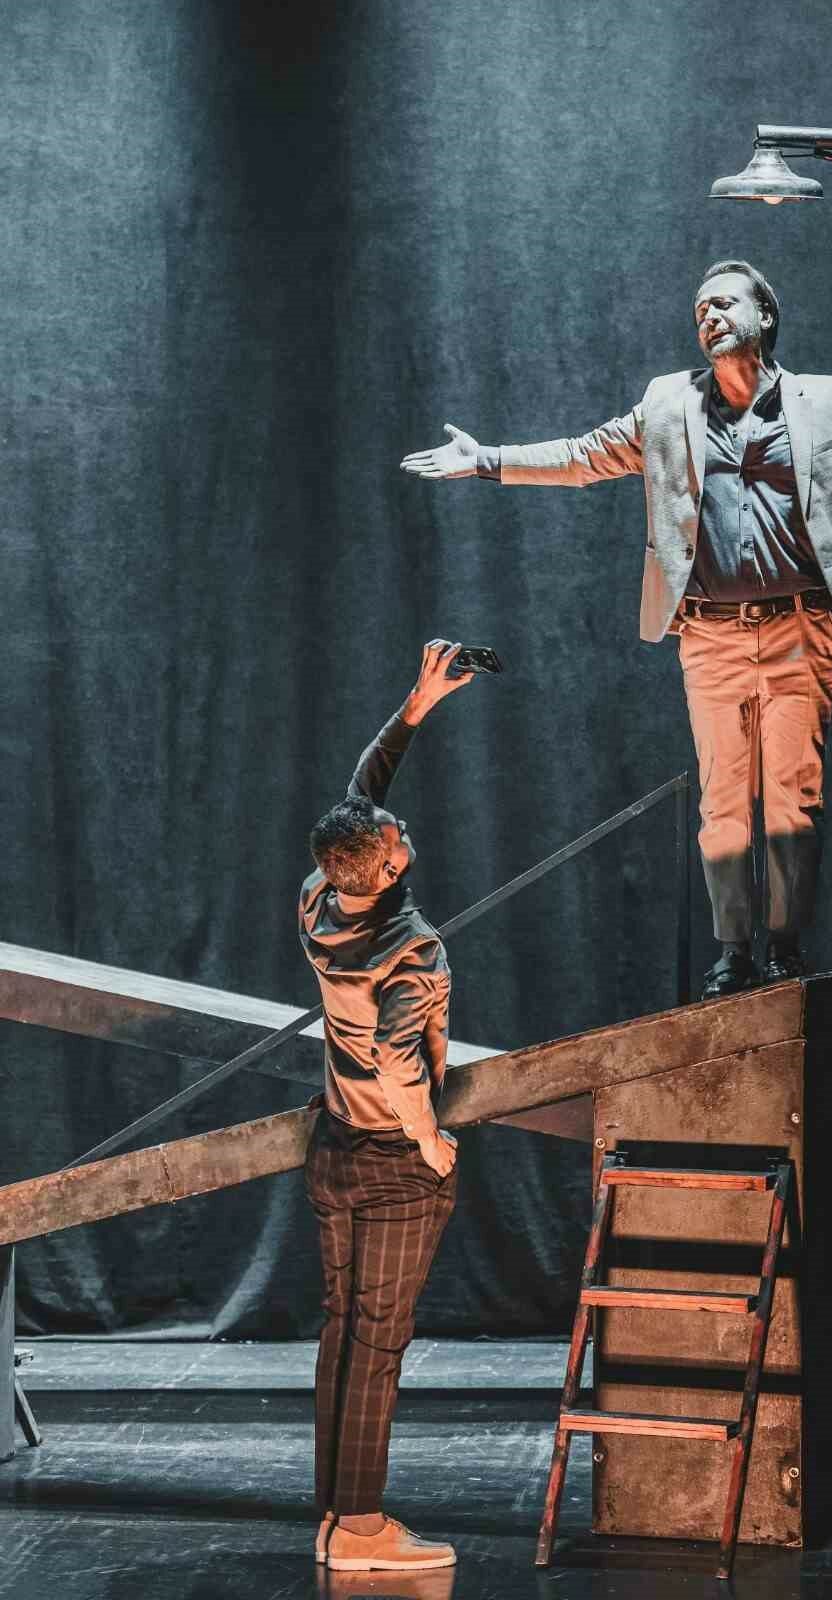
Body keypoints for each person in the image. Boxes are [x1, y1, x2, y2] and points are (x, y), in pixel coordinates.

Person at [400, 260, 832, 996]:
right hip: (710, 635)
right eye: (699, 310)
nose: (709, 316)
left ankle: (785, 946)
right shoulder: (667, 403)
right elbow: (584, 455)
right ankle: (733, 950)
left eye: (723, 303)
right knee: (722, 802)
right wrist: (488, 460)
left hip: (799, 631)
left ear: (765, 317)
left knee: (792, 798)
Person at [300, 640, 474, 1574]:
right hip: (393, 1165)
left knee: (343, 1332)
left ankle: (336, 1515)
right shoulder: (411, 948)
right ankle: (362, 1531)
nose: (406, 835)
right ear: (387, 866)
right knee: (378, 1344)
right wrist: (431, 1141)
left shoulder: (320, 901)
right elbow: (399, 1061)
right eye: (398, 837)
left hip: (333, 1152)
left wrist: (417, 704)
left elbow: (358, 800)